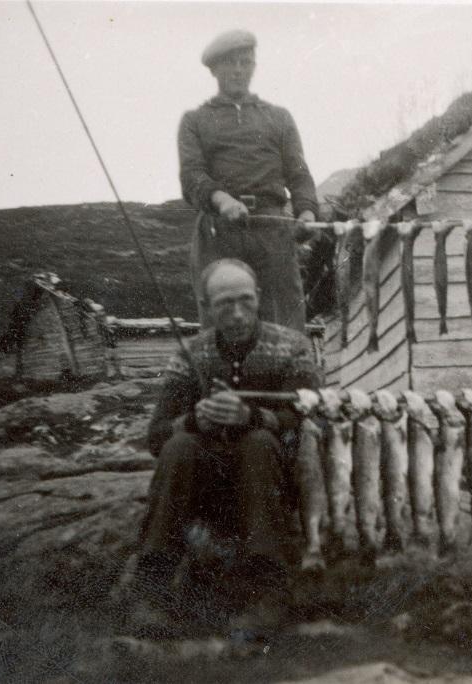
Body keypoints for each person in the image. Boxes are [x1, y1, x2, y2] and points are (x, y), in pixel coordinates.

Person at [129, 258, 322, 629]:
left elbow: (308, 418)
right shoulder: (190, 354)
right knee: (178, 446)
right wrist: (193, 420)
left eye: (245, 300)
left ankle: (268, 590)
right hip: (204, 484)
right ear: (206, 306)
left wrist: (252, 417)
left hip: (271, 480)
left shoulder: (293, 347)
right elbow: (156, 437)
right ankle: (152, 589)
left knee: (259, 442)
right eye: (224, 304)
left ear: (259, 297)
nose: (237, 314)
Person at [179, 29, 319, 332]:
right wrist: (223, 200)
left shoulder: (279, 117)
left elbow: (299, 173)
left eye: (246, 62)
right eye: (231, 63)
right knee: (224, 326)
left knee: (285, 326)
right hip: (220, 233)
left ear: (254, 66)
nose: (239, 70)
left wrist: (306, 211)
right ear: (214, 69)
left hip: (273, 233)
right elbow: (192, 176)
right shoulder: (195, 121)